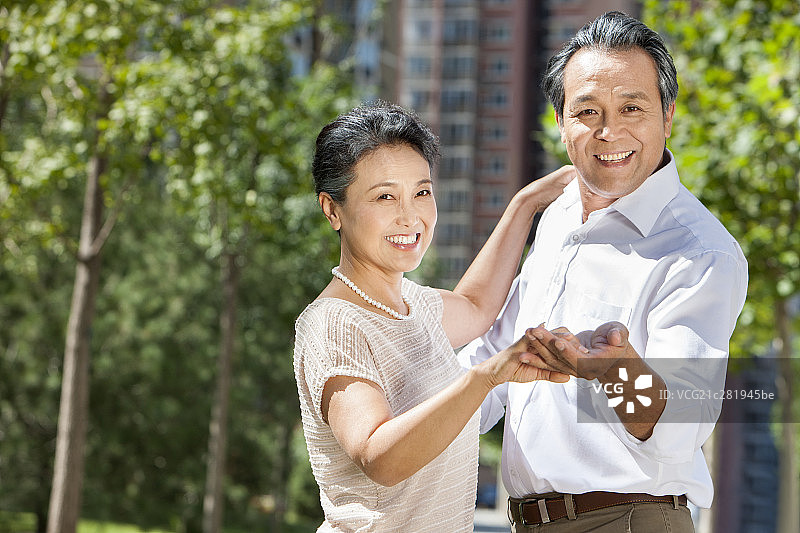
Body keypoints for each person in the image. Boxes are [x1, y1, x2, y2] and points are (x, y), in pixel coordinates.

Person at [458, 11, 748, 533]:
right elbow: (494, 357)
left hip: (628, 520)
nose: (609, 131)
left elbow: (679, 429)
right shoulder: (560, 217)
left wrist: (616, 372)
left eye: (632, 108)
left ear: (668, 115)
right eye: (587, 111)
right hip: (524, 520)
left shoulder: (699, 250)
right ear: (561, 122)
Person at [293, 101, 576, 532]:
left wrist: (526, 204)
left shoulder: (415, 306)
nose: (410, 216)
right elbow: (378, 457)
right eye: (385, 196)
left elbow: (479, 307)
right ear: (332, 210)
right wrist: (485, 377)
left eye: (421, 192)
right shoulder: (333, 324)